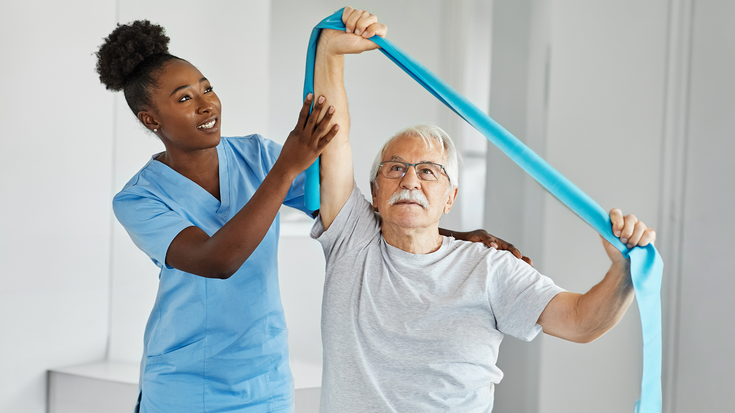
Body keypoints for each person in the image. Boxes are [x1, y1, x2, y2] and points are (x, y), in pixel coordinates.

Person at [94, 11, 520, 413]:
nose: (207, 105)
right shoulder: (139, 199)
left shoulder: (255, 155)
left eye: (207, 88)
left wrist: (450, 236)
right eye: (184, 98)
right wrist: (287, 167)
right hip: (185, 385)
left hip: (266, 379)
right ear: (151, 119)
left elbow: (349, 217)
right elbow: (217, 260)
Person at [309, 7, 657, 413]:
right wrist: (330, 52)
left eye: (428, 172)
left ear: (450, 197)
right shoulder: (353, 239)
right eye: (396, 168)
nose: (410, 181)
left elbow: (581, 322)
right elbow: (333, 141)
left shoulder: (490, 268)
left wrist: (622, 271)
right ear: (374, 188)